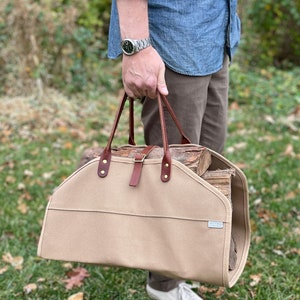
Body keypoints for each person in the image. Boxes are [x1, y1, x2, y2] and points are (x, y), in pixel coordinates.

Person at [108, 1, 241, 299]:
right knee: (171, 173)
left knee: (208, 164)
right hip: (171, 38)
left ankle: (186, 263)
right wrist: (137, 48)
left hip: (214, 33)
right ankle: (163, 285)